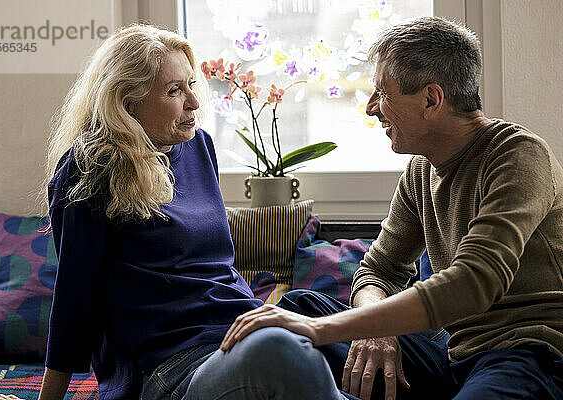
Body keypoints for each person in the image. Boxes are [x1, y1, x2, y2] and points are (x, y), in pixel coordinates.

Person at [0, 24, 364, 400]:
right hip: (171, 367)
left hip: (241, 332)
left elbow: (217, 268)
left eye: (191, 85)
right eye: (174, 90)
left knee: (338, 324)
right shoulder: (91, 167)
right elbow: (74, 300)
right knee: (280, 348)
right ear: (128, 101)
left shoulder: (199, 147)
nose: (194, 102)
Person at [220, 17, 563, 400]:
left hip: (529, 352)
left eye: (382, 93)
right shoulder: (421, 170)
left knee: (314, 326)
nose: (371, 108)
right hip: (452, 353)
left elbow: (475, 281)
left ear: (431, 99)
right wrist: (375, 329)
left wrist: (324, 331)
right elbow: (377, 270)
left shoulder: (518, 155)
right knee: (300, 307)